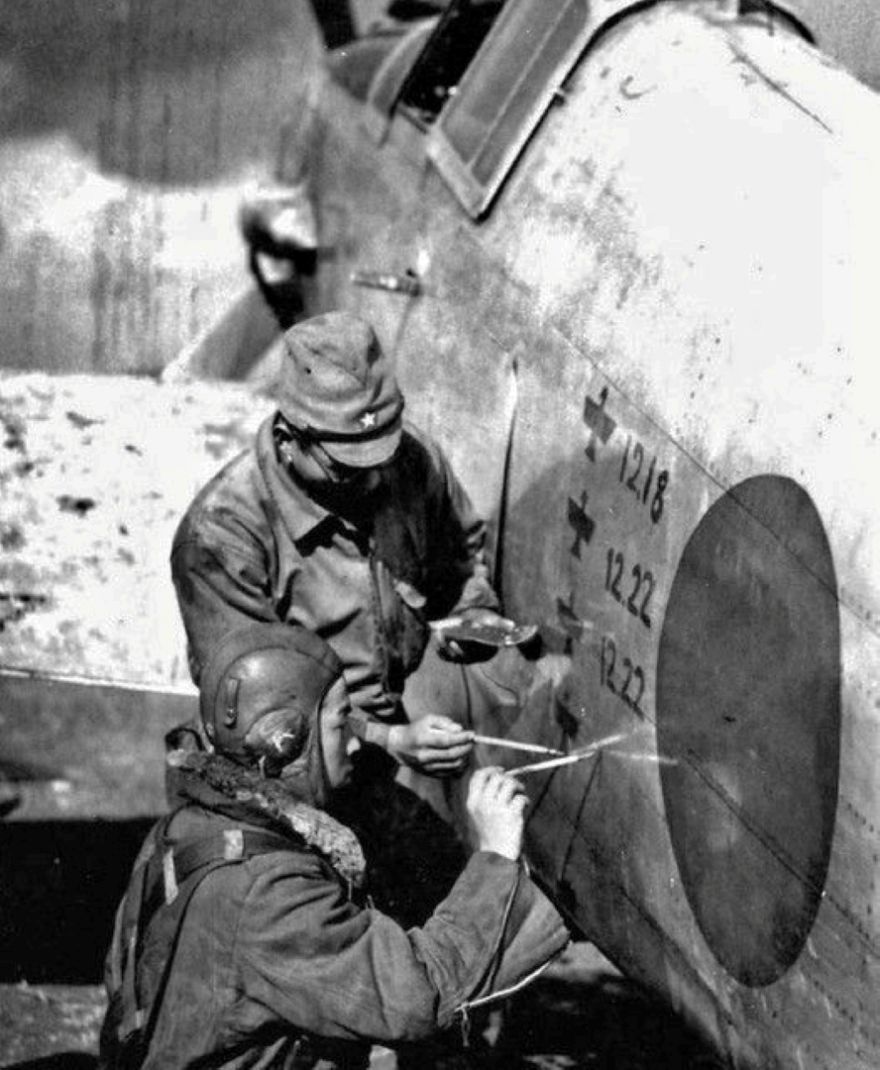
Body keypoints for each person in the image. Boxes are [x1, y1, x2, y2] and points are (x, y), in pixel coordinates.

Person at [99, 624, 569, 1069]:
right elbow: (418, 996)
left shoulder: (183, 829)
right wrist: (495, 855)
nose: (355, 744)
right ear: (286, 742)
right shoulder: (267, 894)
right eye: (342, 720)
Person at [171, 309, 513, 777]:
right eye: (348, 464)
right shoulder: (221, 538)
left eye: (381, 451)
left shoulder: (408, 459)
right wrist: (388, 740)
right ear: (291, 439)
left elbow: (459, 553)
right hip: (279, 765)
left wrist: (471, 614)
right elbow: (262, 711)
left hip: (370, 741)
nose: (374, 477)